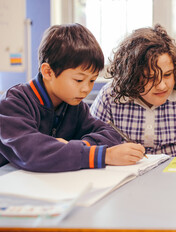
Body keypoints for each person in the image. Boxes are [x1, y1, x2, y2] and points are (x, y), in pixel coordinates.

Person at [0, 23, 145, 172]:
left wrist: (78, 147)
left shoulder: (73, 105)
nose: (86, 89)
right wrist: (102, 155)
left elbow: (109, 133)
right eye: (78, 80)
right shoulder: (14, 103)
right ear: (48, 72)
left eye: (92, 80)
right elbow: (33, 153)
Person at [90, 24, 176, 157]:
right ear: (132, 76)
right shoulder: (109, 95)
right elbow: (95, 151)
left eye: (167, 75)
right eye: (150, 77)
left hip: (174, 176)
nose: (161, 86)